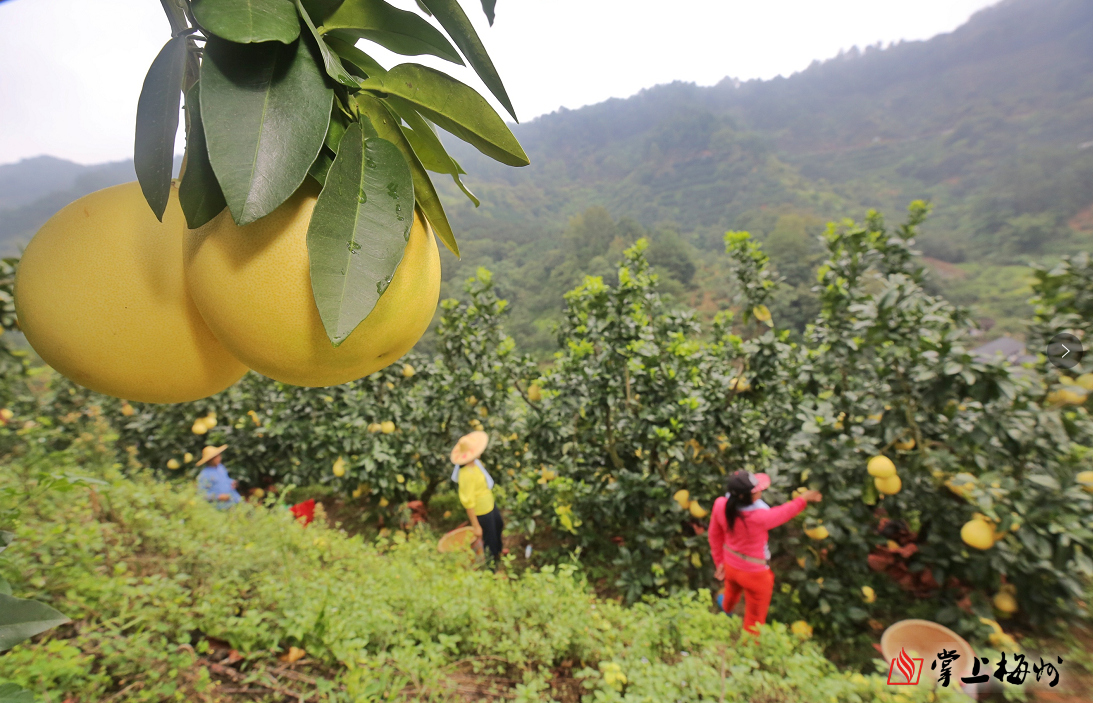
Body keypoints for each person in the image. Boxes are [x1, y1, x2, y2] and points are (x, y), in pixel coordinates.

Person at [708, 470, 822, 635]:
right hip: (755, 575)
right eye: (757, 491)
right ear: (745, 497)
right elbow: (786, 511)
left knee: (731, 590)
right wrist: (804, 498)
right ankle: (748, 651)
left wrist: (719, 561)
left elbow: (714, 535)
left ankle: (725, 608)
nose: (761, 492)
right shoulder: (759, 517)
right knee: (754, 618)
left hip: (730, 564)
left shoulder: (720, 504)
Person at [450, 431, 503, 570]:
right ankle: (492, 569)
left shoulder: (476, 464)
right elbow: (468, 502)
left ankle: (498, 554)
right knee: (489, 539)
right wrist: (476, 526)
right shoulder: (466, 474)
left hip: (489, 504)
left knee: (499, 525)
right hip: (481, 511)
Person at [195, 444, 241, 508]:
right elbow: (201, 494)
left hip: (234, 501)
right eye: (217, 457)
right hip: (220, 507)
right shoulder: (204, 475)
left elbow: (226, 480)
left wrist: (233, 483)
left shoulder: (221, 468)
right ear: (210, 459)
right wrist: (218, 497)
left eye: (219, 456)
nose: (219, 458)